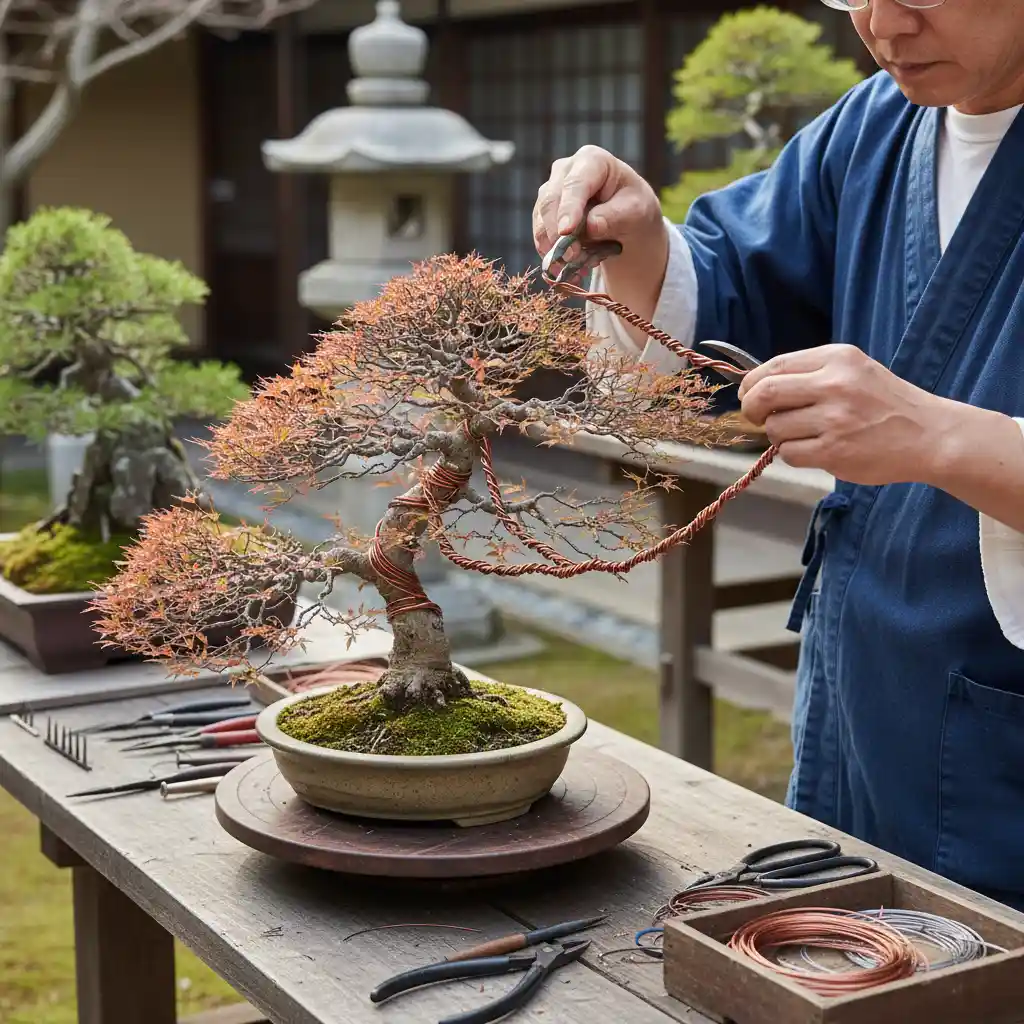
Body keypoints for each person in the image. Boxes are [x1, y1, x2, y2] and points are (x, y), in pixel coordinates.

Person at [533, 0, 1024, 910]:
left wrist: (938, 437)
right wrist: (640, 239)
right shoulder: (874, 126)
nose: (882, 23)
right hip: (861, 695)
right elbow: (724, 289)